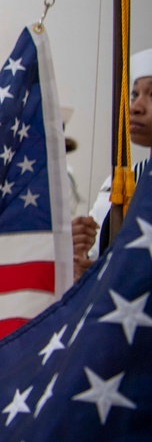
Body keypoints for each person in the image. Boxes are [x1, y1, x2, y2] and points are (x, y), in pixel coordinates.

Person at [72, 48, 152, 280]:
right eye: (134, 94)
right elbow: (95, 262)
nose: (136, 107)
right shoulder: (124, 183)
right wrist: (80, 256)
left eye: (151, 94)